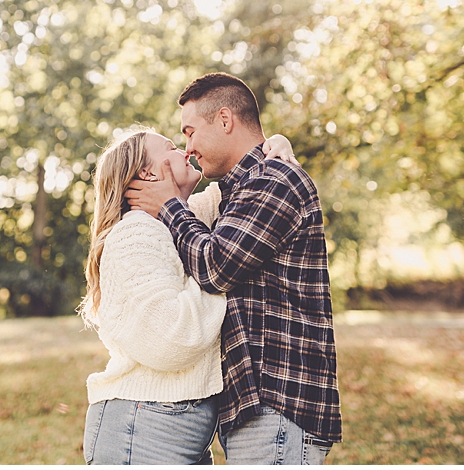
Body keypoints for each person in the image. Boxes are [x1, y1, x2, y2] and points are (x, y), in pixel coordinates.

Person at [125, 72, 341, 465]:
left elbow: (216, 266)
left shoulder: (275, 179)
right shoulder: (237, 192)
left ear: (225, 120)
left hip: (279, 401)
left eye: (190, 132)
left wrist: (169, 204)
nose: (188, 148)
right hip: (256, 407)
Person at [79, 126, 297, 465]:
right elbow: (170, 339)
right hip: (141, 427)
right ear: (148, 172)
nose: (185, 150)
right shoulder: (134, 234)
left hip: (175, 426)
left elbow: (243, 189)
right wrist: (220, 276)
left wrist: (276, 144)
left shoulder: (182, 216)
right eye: (169, 146)